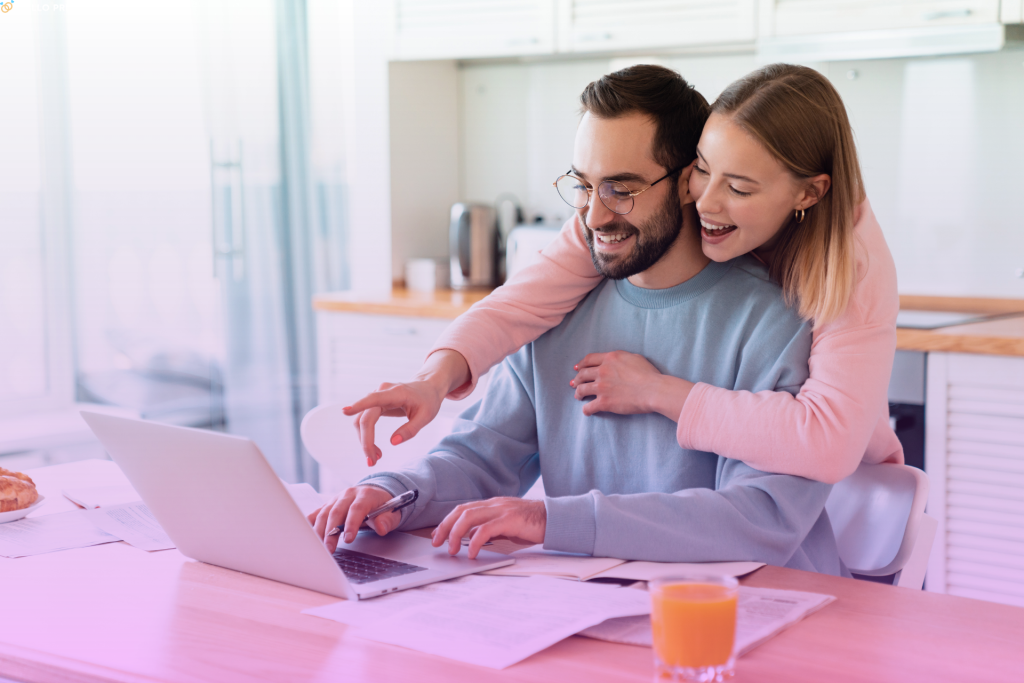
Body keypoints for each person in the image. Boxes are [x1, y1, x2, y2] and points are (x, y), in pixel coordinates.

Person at [310, 66, 844, 576]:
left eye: (622, 189)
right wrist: (393, 492)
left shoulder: (777, 319)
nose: (593, 216)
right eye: (584, 185)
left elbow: (758, 518)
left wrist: (551, 519)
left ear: (689, 183)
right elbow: (481, 457)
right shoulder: (559, 305)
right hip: (599, 604)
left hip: (754, 613)